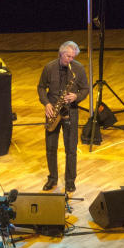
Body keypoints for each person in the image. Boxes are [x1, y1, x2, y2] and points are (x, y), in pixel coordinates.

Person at [38, 40, 89, 193]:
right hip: (53, 111)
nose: (70, 60)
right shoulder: (49, 67)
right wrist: (46, 103)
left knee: (71, 149)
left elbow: (85, 89)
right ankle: (52, 178)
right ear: (61, 54)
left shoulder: (78, 68)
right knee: (50, 148)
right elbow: (41, 87)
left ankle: (70, 181)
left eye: (73, 57)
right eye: (68, 56)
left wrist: (76, 96)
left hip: (70, 112)